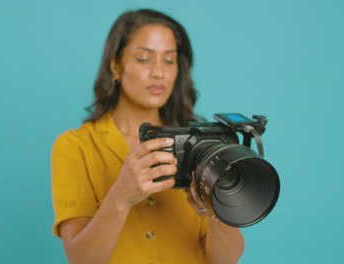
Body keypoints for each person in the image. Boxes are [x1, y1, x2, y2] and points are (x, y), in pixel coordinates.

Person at [50, 9, 244, 264]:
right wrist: (121, 197)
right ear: (115, 66)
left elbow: (226, 260)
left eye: (169, 60)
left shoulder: (202, 145)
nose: (158, 73)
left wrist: (215, 209)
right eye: (144, 59)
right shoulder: (75, 147)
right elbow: (82, 259)